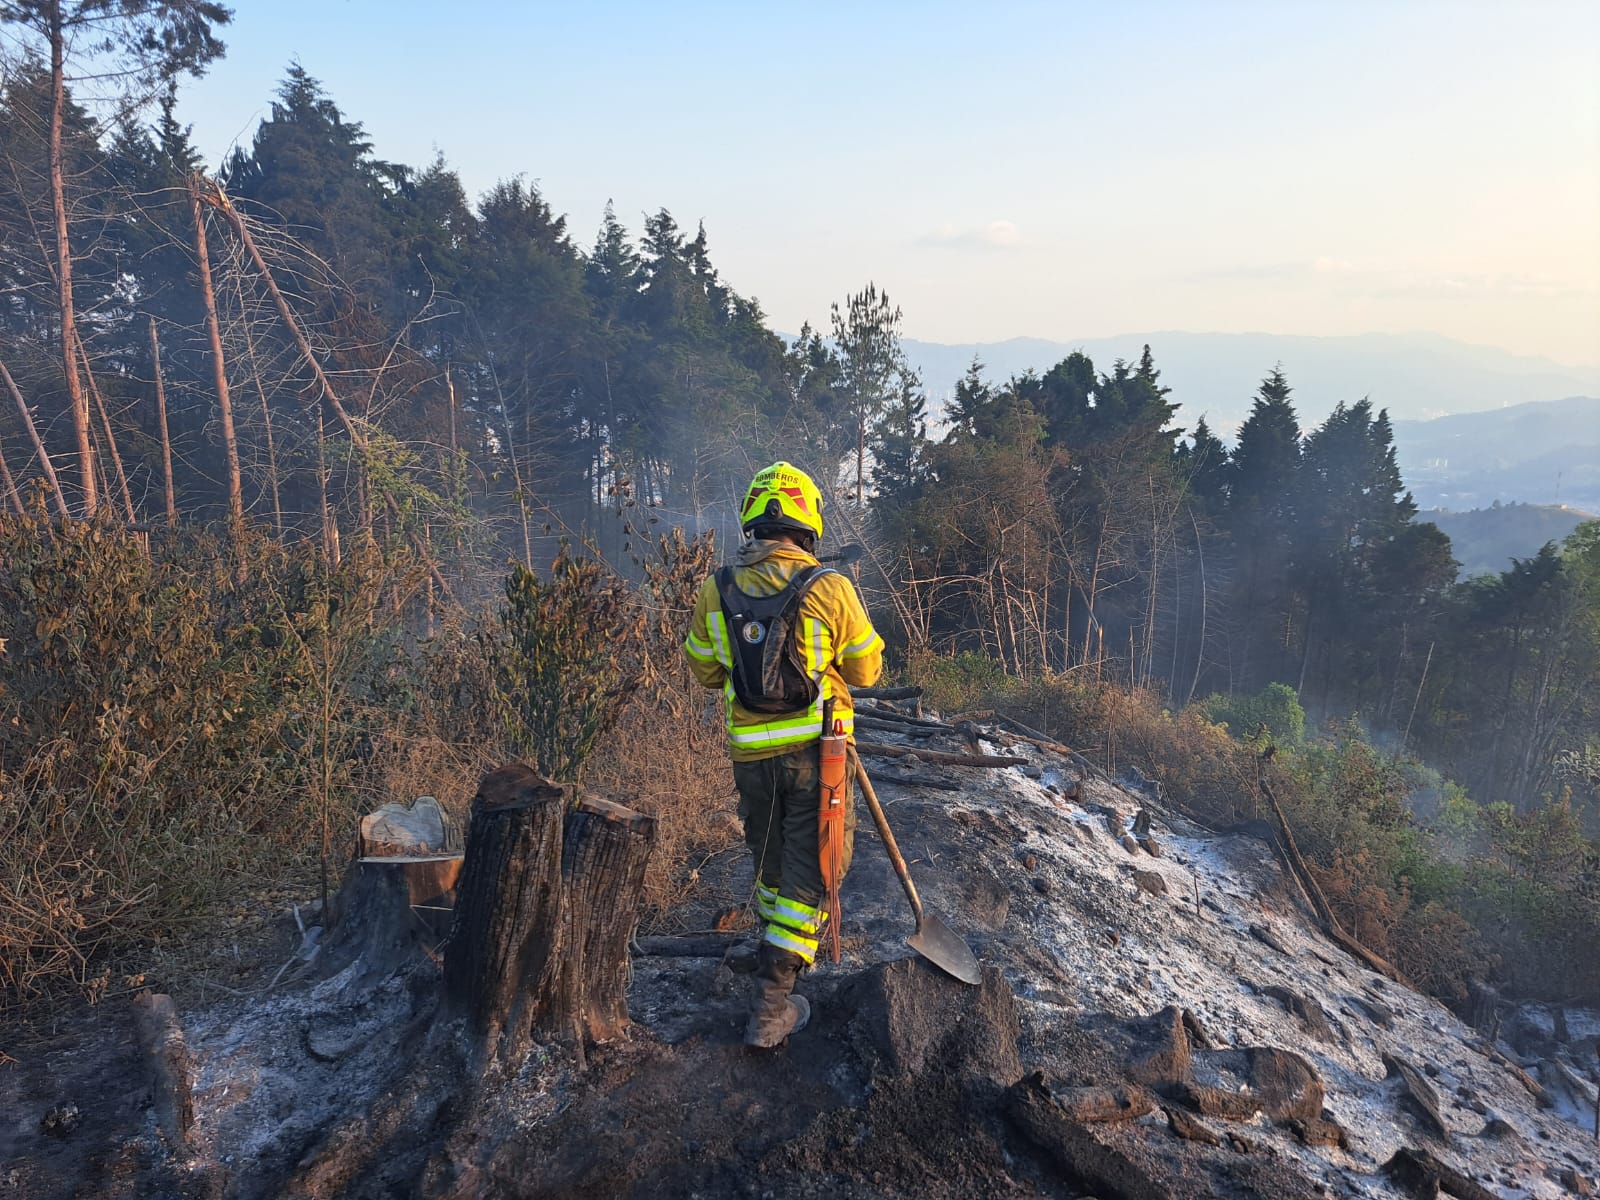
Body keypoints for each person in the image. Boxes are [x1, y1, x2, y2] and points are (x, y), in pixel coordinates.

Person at [684, 461, 884, 1047]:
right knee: (817, 871)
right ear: (808, 523)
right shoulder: (830, 587)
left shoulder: (717, 587)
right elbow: (866, 670)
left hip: (751, 759)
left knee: (772, 868)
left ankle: (776, 949)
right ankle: (774, 1001)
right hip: (818, 758)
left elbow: (703, 670)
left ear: (753, 520)